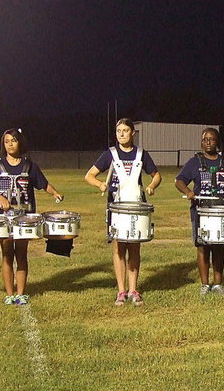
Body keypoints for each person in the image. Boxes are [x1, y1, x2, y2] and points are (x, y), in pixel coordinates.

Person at [84, 119, 161, 306]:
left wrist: (151, 186)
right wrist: (100, 184)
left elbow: (156, 175)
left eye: (125, 130)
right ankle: (121, 291)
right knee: (118, 247)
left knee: (134, 247)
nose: (121, 134)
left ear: (132, 133)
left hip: (136, 206)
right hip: (116, 207)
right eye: (119, 131)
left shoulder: (141, 154)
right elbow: (89, 175)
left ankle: (134, 289)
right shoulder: (110, 154)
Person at [0, 128, 63, 305]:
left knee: (21, 254)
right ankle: (9, 294)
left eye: (13, 140)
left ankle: (21, 293)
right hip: (3, 218)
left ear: (20, 142)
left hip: (24, 218)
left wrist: (55, 193)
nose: (10, 144)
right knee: (6, 255)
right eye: (7, 141)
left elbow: (43, 184)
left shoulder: (29, 166)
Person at [175, 128, 224, 296]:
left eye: (211, 139)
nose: (208, 142)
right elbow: (179, 181)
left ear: (217, 142)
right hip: (201, 211)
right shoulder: (195, 162)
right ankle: (205, 285)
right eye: (204, 139)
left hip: (222, 210)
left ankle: (218, 284)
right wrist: (188, 192)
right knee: (203, 247)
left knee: (219, 247)